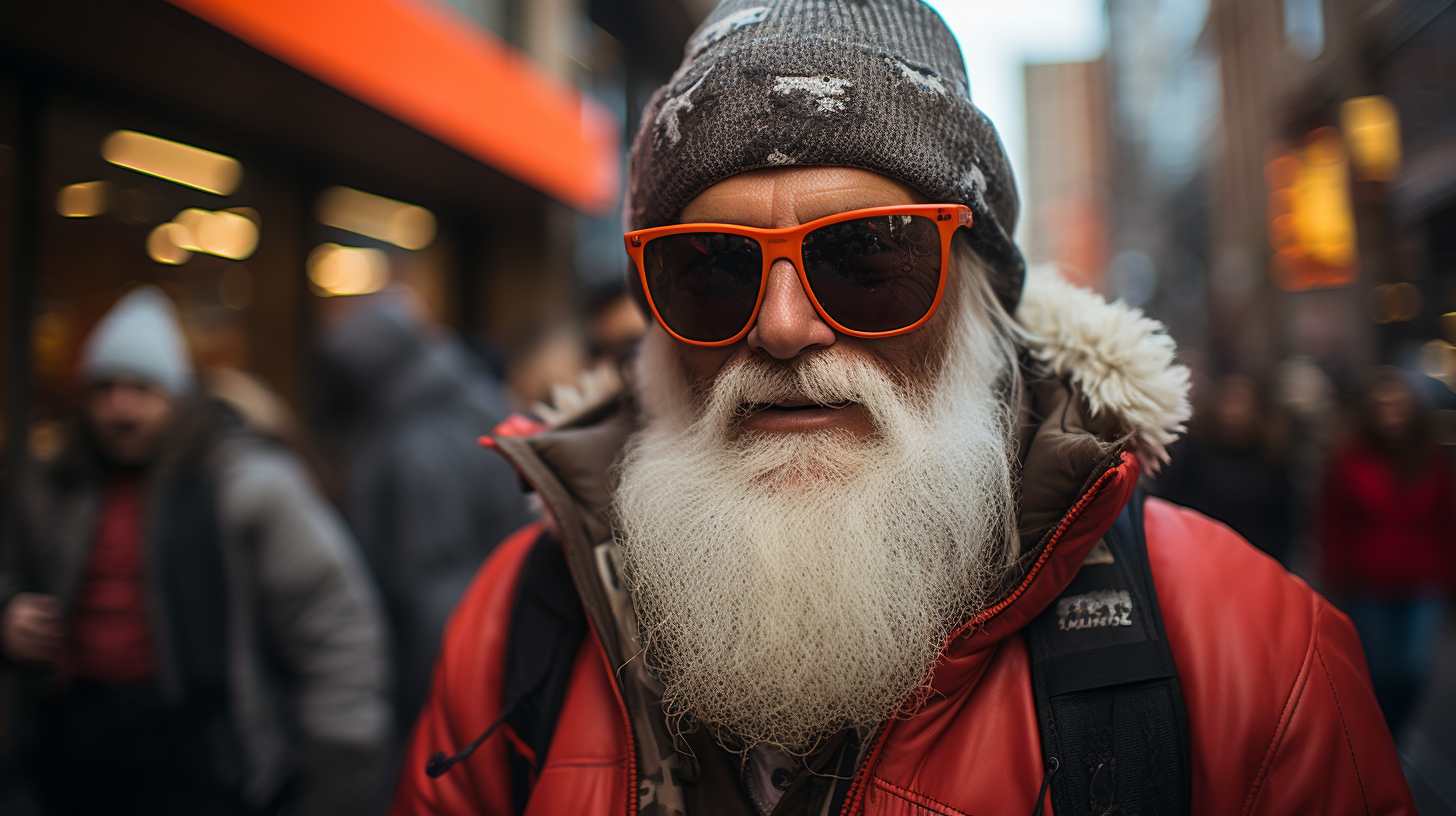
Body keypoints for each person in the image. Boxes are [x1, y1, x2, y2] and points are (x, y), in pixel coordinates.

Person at [392, 2, 1415, 814]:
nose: (784, 328)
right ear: (655, 322)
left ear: (981, 304)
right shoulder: (510, 628)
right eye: (710, 271)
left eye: (865, 258)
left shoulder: (1252, 655)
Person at [0, 286, 389, 815]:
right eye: (105, 388)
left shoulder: (247, 488)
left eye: (141, 388)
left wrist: (336, 775)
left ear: (177, 397)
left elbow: (334, 629)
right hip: (68, 753)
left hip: (201, 760)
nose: (121, 407)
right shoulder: (51, 487)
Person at [316, 295, 532, 742]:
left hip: (450, 692)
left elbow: (434, 592)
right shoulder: (472, 398)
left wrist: (434, 716)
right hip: (503, 650)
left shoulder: (415, 446)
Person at [1318, 368, 1456, 738]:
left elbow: (1447, 522)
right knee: (1379, 670)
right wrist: (1336, 576)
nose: (1390, 413)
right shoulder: (1349, 460)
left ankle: (1393, 737)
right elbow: (1333, 524)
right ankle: (1383, 743)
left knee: (1414, 667)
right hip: (1369, 581)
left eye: (1397, 405)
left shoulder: (1431, 460)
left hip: (1424, 581)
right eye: (1382, 405)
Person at [1152, 373, 1294, 564]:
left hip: (1258, 558)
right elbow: (1171, 501)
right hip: (1203, 555)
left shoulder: (1271, 456)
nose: (1235, 414)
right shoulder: (1196, 452)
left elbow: (1284, 518)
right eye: (1230, 405)